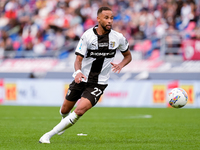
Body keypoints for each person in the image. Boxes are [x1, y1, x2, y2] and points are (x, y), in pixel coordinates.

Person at [39, 6, 132, 144]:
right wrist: (78, 72)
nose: (110, 21)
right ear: (98, 19)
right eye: (106, 18)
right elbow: (78, 60)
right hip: (82, 78)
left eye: (112, 18)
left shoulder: (118, 38)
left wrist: (121, 64)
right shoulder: (88, 36)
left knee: (80, 110)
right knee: (65, 109)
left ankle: (47, 135)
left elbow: (128, 56)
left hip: (99, 82)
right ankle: (64, 121)